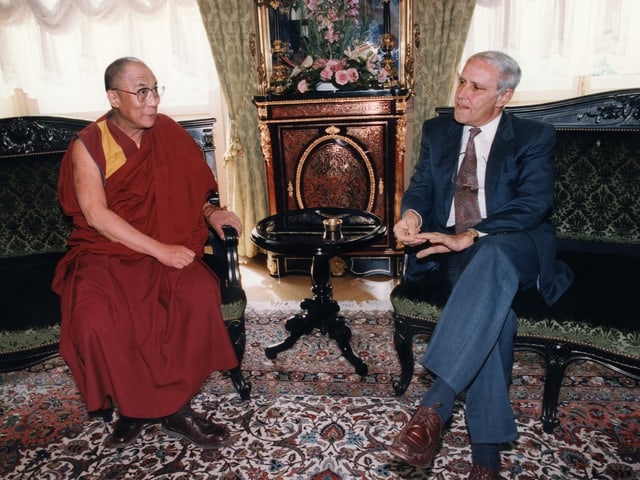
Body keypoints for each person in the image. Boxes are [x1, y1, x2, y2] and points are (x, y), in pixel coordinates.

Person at [387, 51, 574, 479]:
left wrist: (470, 235)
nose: (463, 94)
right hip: (458, 252)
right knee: (495, 316)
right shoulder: (438, 131)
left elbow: (534, 204)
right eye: (462, 82)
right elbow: (419, 186)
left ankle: (434, 405)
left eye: (477, 87)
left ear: (504, 97)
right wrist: (412, 216)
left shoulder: (533, 136)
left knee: (489, 255)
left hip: (516, 244)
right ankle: (486, 459)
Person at [52, 57, 243, 450]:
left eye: (156, 89)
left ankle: (176, 408)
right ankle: (135, 407)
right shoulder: (88, 144)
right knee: (94, 321)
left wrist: (212, 212)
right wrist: (160, 252)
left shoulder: (167, 132)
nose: (152, 100)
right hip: (106, 253)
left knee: (196, 295)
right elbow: (96, 215)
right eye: (141, 91)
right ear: (114, 97)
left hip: (164, 244)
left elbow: (191, 194)